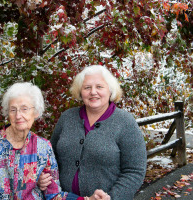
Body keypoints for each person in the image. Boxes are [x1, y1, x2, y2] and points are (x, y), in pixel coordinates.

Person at [0, 82, 110, 200]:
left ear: (36, 112)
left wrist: (86, 199)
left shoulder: (43, 147)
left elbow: (53, 194)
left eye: (24, 109)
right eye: (13, 110)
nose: (18, 115)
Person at [38, 65, 147, 200]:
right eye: (87, 87)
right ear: (80, 91)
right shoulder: (67, 117)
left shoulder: (125, 122)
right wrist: (43, 177)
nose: (93, 92)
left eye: (99, 87)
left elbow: (135, 171)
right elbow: (50, 158)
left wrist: (112, 197)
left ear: (110, 90)